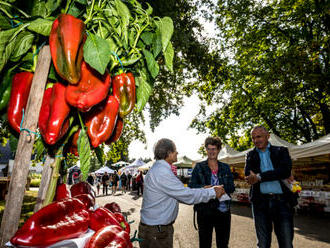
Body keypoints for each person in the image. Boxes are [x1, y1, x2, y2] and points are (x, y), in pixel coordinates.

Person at [138, 138, 226, 248]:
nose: (177, 153)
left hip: (155, 229)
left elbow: (178, 193)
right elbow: (186, 195)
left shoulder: (158, 169)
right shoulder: (162, 172)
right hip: (156, 232)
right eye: (175, 150)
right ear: (169, 153)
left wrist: (203, 189)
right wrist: (212, 192)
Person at [245, 126, 296, 248]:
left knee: (286, 243)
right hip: (260, 203)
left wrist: (260, 177)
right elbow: (248, 175)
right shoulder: (250, 155)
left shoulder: (281, 151)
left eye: (259, 136)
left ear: (267, 136)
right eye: (253, 138)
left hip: (282, 202)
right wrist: (274, 173)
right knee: (262, 244)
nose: (256, 140)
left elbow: (285, 171)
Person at [189, 137, 235, 248]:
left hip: (223, 211)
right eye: (209, 149)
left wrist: (223, 190)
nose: (211, 152)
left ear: (219, 149)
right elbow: (191, 186)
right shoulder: (199, 167)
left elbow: (231, 187)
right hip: (204, 211)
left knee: (223, 244)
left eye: (214, 149)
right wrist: (204, 188)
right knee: (204, 243)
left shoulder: (225, 167)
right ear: (206, 150)